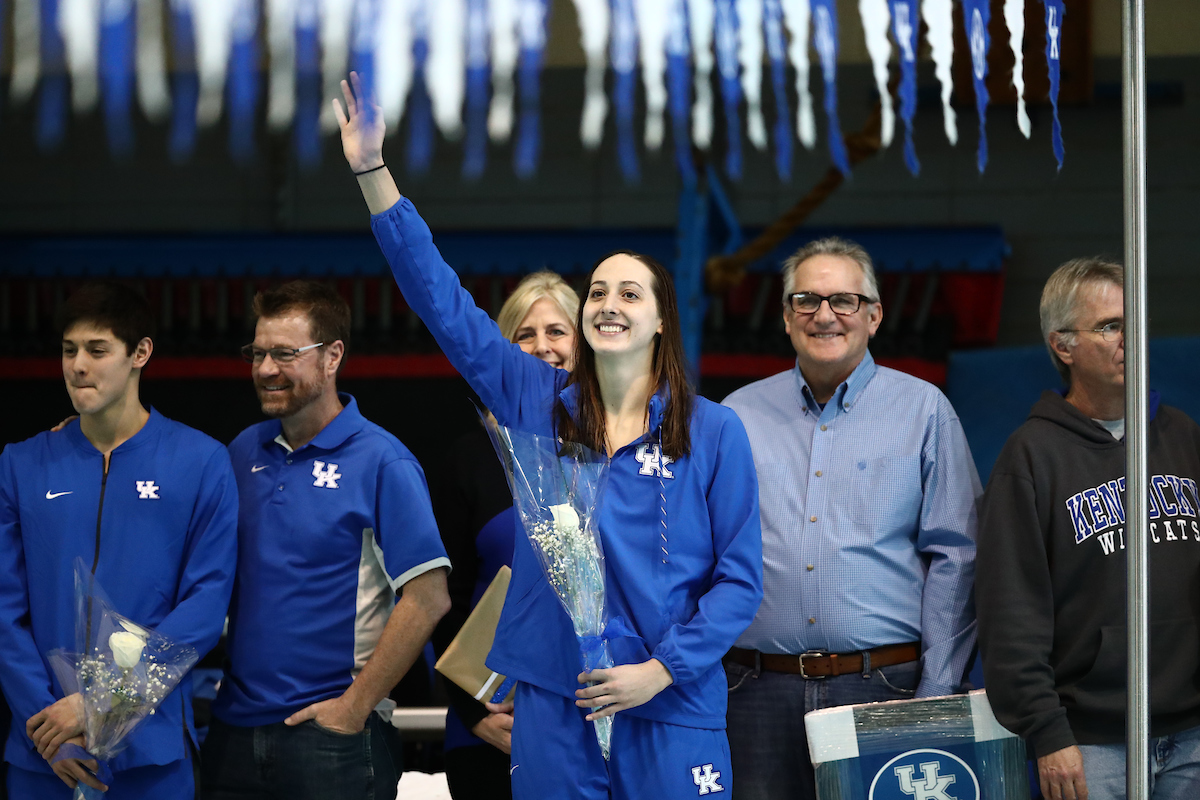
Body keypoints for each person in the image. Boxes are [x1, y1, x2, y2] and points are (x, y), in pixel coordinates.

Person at [335, 72, 763, 799]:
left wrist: (661, 669)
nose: (608, 302)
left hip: (671, 700)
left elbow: (739, 581)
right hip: (552, 703)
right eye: (597, 290)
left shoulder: (715, 431)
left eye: (631, 293)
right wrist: (373, 172)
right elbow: (445, 304)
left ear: (663, 319)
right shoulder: (538, 399)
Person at [720, 237, 980, 800]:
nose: (825, 315)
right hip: (753, 690)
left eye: (844, 300)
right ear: (787, 317)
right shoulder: (735, 416)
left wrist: (936, 689)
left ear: (874, 315)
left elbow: (957, 556)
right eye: (807, 300)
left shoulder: (924, 410)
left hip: (884, 687)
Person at [201, 281, 451, 800]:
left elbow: (429, 597)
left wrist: (354, 708)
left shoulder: (384, 461)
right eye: (258, 352)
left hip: (333, 739)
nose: (266, 368)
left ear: (333, 355)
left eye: (286, 353)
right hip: (232, 734)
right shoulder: (242, 450)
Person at [0, 281, 238, 798]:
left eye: (97, 350)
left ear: (141, 353)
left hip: (149, 756)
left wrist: (102, 702)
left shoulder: (201, 463)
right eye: (69, 350)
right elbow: (3, 610)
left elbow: (204, 606)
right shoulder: (20, 464)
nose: (77, 365)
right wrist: (46, 727)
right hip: (43, 752)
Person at [977, 258, 1200, 800]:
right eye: (1109, 326)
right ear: (1063, 346)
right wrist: (1047, 732)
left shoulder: (1182, 435)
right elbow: (1011, 615)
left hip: (1192, 733)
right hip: (1090, 743)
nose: (1130, 337)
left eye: (1135, 319)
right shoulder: (1030, 457)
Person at [429, 271, 580, 800]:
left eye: (558, 331)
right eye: (524, 334)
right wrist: (472, 714)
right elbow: (439, 600)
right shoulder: (469, 461)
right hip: (492, 725)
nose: (543, 346)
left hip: (589, 714)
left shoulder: (612, 455)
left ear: (583, 344)